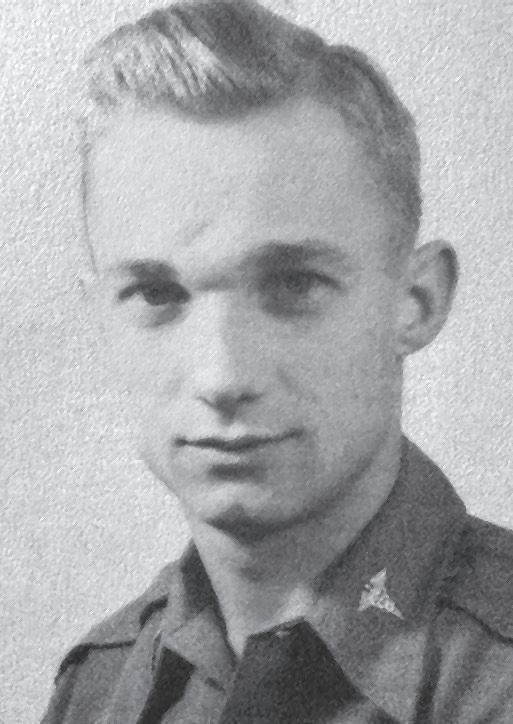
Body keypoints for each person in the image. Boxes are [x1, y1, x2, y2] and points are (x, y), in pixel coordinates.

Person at [42, 1, 513, 722]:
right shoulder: (100, 689)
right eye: (156, 294)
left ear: (416, 302)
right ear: (102, 317)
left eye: (294, 285)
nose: (222, 377)